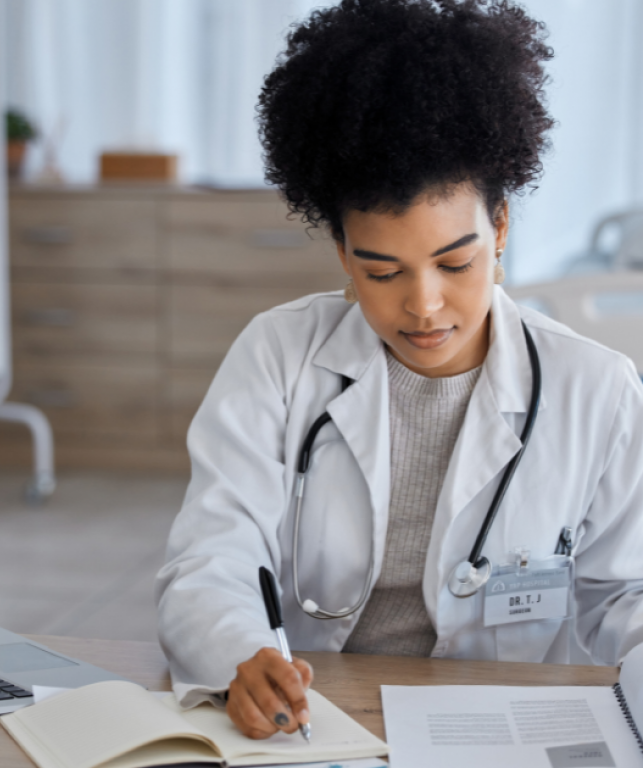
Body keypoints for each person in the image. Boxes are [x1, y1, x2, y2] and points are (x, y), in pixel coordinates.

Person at [155, 0, 643, 742]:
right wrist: (238, 653)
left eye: (456, 262)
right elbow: (213, 553)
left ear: (502, 225)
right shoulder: (278, 356)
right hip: (314, 727)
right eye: (382, 270)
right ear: (344, 253)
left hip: (495, 728)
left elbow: (627, 597)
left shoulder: (596, 390)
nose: (424, 305)